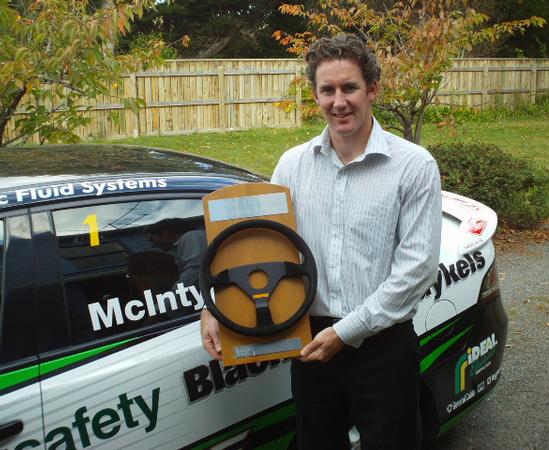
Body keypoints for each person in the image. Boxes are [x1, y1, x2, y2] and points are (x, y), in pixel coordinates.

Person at [202, 34, 442, 449]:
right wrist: (214, 307)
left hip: (382, 345)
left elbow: (417, 268)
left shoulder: (414, 166)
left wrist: (347, 332)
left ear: (372, 89)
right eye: (327, 90)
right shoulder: (293, 164)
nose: (339, 101)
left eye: (349, 87)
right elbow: (250, 238)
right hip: (309, 340)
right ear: (315, 95)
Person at [144, 218, 206, 288]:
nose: (153, 245)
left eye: (152, 240)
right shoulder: (182, 246)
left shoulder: (192, 237)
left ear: (164, 232)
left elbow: (195, 271)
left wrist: (171, 296)